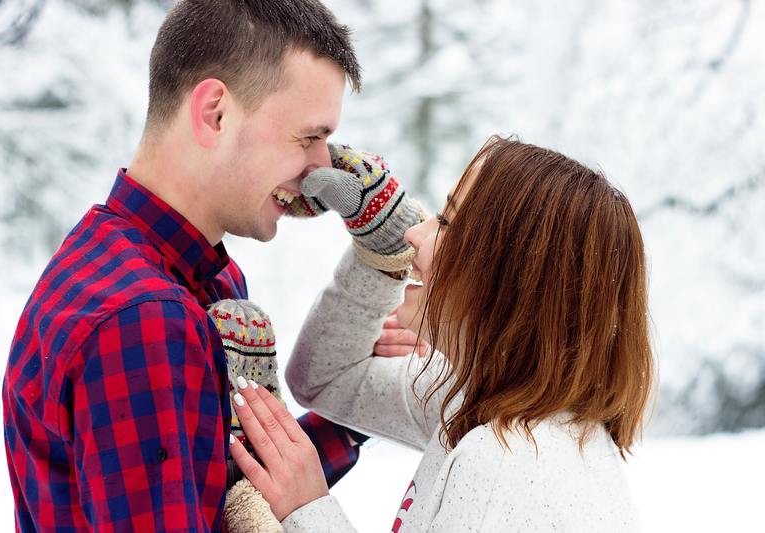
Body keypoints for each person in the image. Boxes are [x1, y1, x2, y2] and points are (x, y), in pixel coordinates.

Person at [2, 1, 412, 530]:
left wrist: (352, 406)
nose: (320, 168)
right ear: (215, 113)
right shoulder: (144, 320)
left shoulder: (198, 277)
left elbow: (220, 495)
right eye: (309, 137)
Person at [228, 136, 655, 532]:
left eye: (447, 222)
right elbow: (326, 379)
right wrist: (379, 248)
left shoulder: (505, 463)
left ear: (508, 277)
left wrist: (308, 510)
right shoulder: (482, 401)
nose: (414, 233)